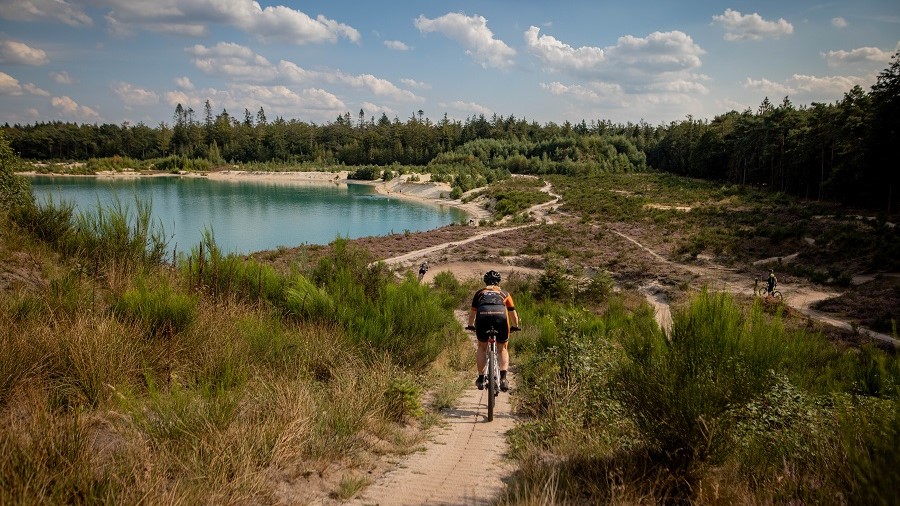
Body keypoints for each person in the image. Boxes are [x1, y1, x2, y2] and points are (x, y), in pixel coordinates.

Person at [466, 270, 520, 392]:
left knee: (482, 347)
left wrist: (470, 325)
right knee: (502, 348)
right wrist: (515, 326)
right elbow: (513, 314)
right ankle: (503, 379)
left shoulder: (479, 293)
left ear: (485, 282)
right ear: (498, 282)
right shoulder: (505, 293)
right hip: (500, 317)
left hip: (483, 316)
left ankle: (481, 378)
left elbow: (472, 314)